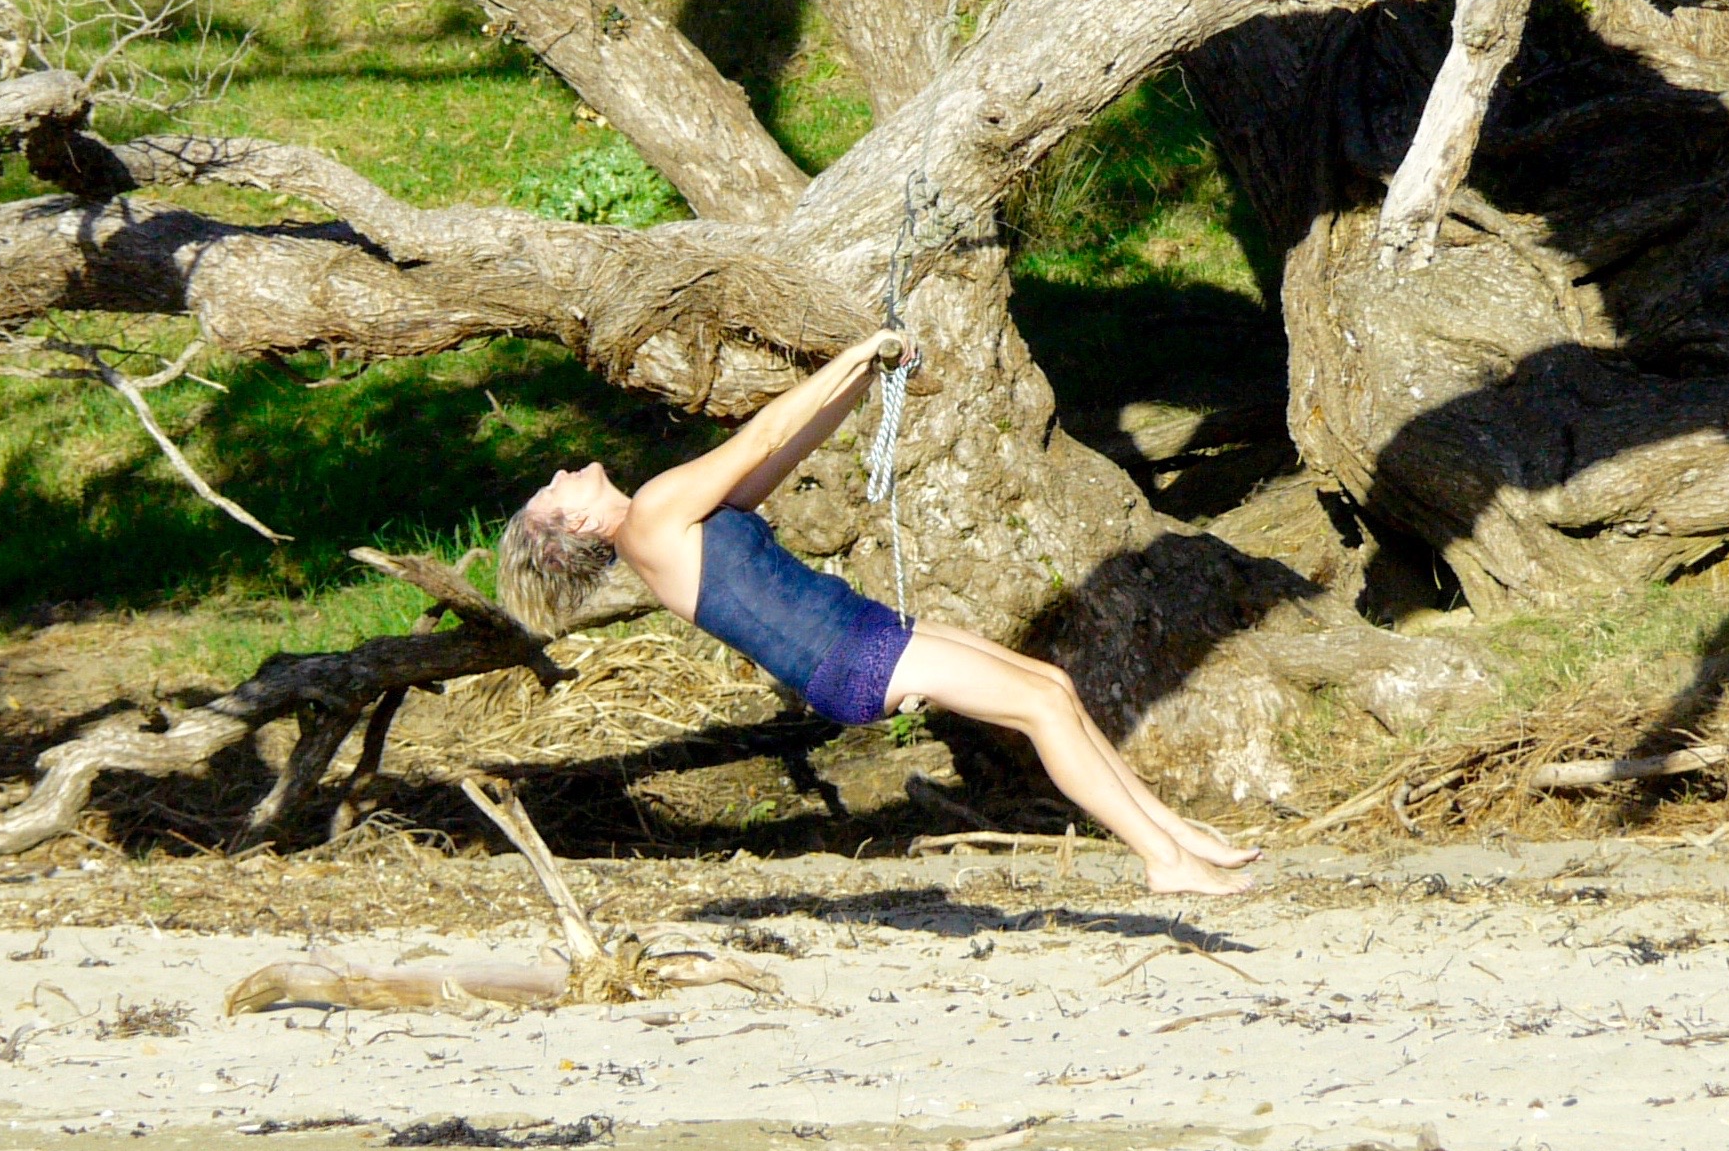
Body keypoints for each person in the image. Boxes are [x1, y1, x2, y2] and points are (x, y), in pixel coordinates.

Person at [498, 329, 1258, 895]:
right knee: (1041, 706)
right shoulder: (653, 515)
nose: (562, 472)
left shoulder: (661, 523)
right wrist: (854, 351)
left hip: (858, 634)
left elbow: (782, 453)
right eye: (554, 491)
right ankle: (1162, 860)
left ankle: (1178, 835)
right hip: (849, 658)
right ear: (578, 526)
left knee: (1050, 686)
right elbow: (762, 431)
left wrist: (863, 380)